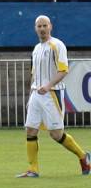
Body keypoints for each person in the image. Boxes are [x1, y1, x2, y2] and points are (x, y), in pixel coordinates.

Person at [17, 15, 90, 179]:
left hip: (52, 93)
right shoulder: (36, 48)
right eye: (39, 26)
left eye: (45, 25)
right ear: (35, 28)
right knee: (30, 129)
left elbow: (63, 70)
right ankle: (33, 169)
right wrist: (31, 96)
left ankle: (83, 156)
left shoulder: (57, 45)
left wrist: (48, 86)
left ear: (50, 27)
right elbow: (34, 74)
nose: (42, 29)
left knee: (56, 134)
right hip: (37, 93)